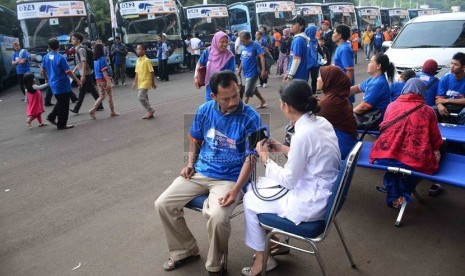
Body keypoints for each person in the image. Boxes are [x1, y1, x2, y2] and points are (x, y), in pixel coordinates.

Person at [155, 71, 261, 276]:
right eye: (226, 98)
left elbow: (252, 157)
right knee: (163, 204)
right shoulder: (204, 110)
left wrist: (237, 189)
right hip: (201, 173)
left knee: (218, 216)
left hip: (230, 179)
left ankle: (215, 265)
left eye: (236, 95)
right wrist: (189, 163)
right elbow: (195, 139)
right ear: (213, 96)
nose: (233, 101)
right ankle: (185, 250)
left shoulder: (251, 116)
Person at [241, 80, 340, 276]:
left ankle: (263, 260)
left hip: (309, 203)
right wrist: (282, 148)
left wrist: (265, 159)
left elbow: (288, 180)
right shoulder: (321, 123)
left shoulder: (302, 134)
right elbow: (312, 156)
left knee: (249, 199)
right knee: (262, 185)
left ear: (286, 105)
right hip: (323, 191)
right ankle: (275, 241)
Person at [370, 78, 443, 208]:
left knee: (399, 166)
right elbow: (436, 141)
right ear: (423, 92)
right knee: (436, 153)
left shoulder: (391, 105)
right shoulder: (428, 111)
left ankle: (397, 191)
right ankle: (405, 189)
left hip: (383, 156)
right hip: (413, 162)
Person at [316, 66, 357, 159]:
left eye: (321, 76)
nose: (318, 79)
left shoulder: (329, 102)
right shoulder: (337, 97)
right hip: (348, 142)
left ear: (329, 81)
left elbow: (312, 122)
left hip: (340, 147)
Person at [42, 38, 81, 130]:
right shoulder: (60, 57)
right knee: (64, 105)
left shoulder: (46, 56)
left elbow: (42, 71)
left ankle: (51, 117)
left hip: (53, 84)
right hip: (62, 84)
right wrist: (77, 80)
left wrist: (47, 79)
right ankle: (61, 124)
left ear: (49, 46)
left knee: (60, 102)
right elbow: (68, 71)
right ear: (58, 46)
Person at [350, 53, 394, 120]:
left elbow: (363, 107)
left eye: (371, 62)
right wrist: (339, 92)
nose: (368, 64)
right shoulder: (373, 79)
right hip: (369, 116)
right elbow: (357, 88)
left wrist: (347, 114)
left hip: (374, 120)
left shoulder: (378, 83)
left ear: (378, 66)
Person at [195, 31, 235, 102]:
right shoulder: (208, 51)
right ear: (216, 41)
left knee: (221, 109)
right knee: (210, 108)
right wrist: (196, 78)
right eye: (222, 42)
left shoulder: (229, 56)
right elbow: (200, 63)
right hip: (209, 88)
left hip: (223, 88)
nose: (225, 44)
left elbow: (231, 75)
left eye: (226, 42)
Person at [69, 33, 101, 114]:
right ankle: (99, 105)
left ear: (78, 40)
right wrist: (74, 70)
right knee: (92, 90)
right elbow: (79, 62)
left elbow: (84, 62)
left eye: (73, 39)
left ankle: (76, 108)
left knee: (82, 92)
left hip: (85, 73)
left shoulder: (81, 49)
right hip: (85, 73)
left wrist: (82, 75)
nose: (71, 40)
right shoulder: (77, 49)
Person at [237, 31, 267, 108]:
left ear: (248, 39)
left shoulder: (255, 45)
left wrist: (263, 70)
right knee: (253, 88)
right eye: (241, 41)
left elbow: (262, 57)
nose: (242, 42)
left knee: (247, 91)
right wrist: (239, 69)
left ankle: (242, 108)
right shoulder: (243, 46)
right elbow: (242, 58)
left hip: (253, 72)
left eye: (243, 40)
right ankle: (263, 101)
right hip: (245, 72)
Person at [90, 43, 119, 119]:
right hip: (104, 79)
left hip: (98, 80)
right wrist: (109, 81)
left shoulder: (95, 60)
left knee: (102, 96)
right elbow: (104, 72)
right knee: (109, 96)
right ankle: (112, 112)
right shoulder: (103, 59)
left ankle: (93, 109)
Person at [435, 52, 465, 125]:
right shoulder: (445, 78)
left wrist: (447, 100)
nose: (452, 66)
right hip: (447, 107)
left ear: (463, 67)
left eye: (455, 64)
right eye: (451, 63)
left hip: (462, 108)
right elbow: (438, 98)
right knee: (430, 111)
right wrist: (439, 105)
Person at [332, 24, 355, 103]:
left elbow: (349, 70)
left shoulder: (344, 49)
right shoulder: (340, 47)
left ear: (339, 35)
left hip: (343, 85)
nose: (332, 35)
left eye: (334, 33)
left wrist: (345, 87)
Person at [132, 44, 156, 119]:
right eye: (137, 49)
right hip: (140, 82)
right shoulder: (138, 60)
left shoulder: (147, 60)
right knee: (145, 98)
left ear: (143, 51)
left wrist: (153, 82)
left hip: (146, 81)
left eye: (139, 49)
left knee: (140, 97)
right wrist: (134, 82)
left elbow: (151, 72)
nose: (137, 50)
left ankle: (150, 110)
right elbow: (137, 72)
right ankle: (150, 113)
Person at [285, 15, 309, 83]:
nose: (291, 26)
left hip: (297, 76)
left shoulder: (298, 40)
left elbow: (296, 59)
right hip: (301, 75)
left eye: (294, 24)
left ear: (301, 26)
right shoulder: (300, 39)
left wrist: (290, 75)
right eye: (291, 24)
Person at [305, 26, 320, 95]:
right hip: (306, 63)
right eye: (314, 31)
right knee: (305, 80)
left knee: (314, 79)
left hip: (314, 63)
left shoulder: (315, 40)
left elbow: (318, 49)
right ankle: (306, 94)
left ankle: (313, 93)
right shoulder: (304, 40)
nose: (315, 32)